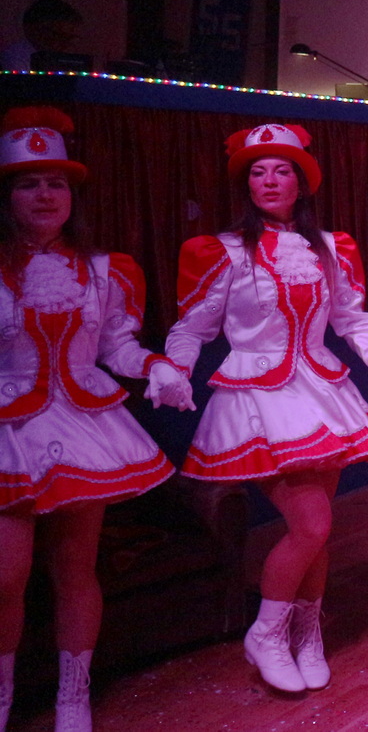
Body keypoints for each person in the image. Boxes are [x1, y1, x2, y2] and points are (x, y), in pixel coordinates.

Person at [159, 123, 368, 694]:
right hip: (259, 398)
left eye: (281, 170)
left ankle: (307, 634)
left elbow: (353, 320)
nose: (269, 180)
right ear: (247, 185)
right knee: (311, 523)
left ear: (301, 182)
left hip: (322, 393)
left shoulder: (331, 249)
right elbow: (192, 327)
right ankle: (267, 633)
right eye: (258, 172)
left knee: (319, 529)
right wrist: (173, 366)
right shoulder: (222, 252)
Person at [0, 108, 184, 731]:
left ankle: (72, 695)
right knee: (6, 576)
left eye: (56, 183)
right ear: (7, 196)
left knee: (76, 569)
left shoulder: (105, 270)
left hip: (83, 424)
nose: (45, 195)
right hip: (8, 433)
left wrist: (155, 366)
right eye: (29, 184)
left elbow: (116, 347)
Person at [1, 0, 83, 73]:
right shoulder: (14, 60)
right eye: (57, 35)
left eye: (69, 38)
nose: (65, 43)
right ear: (34, 29)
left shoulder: (60, 59)